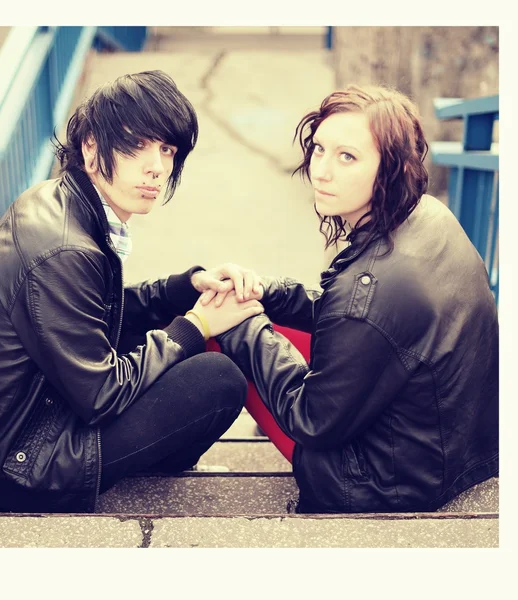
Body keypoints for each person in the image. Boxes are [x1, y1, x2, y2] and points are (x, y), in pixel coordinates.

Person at [201, 84, 499, 513]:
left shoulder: (369, 288)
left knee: (220, 331)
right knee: (246, 311)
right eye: (319, 149)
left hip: (382, 483)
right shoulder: (428, 214)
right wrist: (265, 292)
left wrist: (241, 325)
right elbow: (352, 318)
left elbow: (312, 420)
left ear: (390, 168)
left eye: (348, 157)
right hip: (461, 450)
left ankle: (170, 456)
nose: (320, 171)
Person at [0, 70, 265, 513]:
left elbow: (90, 312)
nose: (157, 167)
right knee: (218, 378)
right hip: (16, 464)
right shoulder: (63, 248)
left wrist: (183, 289)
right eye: (136, 145)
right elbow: (101, 394)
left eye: (166, 149)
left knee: (188, 342)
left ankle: (145, 453)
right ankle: (148, 462)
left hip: (29, 414)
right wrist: (196, 325)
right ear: (91, 146)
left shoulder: (60, 201)